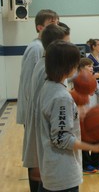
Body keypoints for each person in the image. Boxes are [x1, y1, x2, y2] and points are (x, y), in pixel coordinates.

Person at [35, 40, 99, 192]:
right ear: (69, 65)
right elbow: (62, 139)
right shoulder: (61, 97)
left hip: (50, 167)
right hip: (62, 172)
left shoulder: (48, 86)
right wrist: (94, 146)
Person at [22, 24, 67, 192]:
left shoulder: (44, 63)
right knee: (40, 171)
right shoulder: (47, 68)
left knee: (40, 169)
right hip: (44, 126)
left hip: (41, 124)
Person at [17, 9, 59, 126]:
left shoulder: (48, 47)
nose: (56, 26)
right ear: (40, 28)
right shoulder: (36, 48)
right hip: (35, 112)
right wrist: (34, 112)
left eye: (57, 23)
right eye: (52, 23)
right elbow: (28, 83)